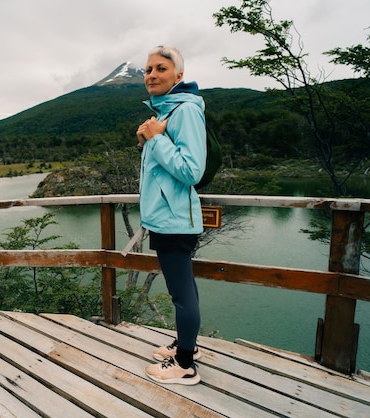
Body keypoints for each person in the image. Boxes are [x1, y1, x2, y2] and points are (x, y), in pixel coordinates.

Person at [136, 46, 206, 385]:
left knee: (181, 294)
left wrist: (157, 141)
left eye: (160, 68)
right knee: (185, 289)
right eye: (147, 69)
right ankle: (186, 344)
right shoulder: (168, 111)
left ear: (179, 75)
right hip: (168, 218)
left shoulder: (186, 111)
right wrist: (147, 142)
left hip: (175, 220)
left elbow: (192, 170)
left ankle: (185, 365)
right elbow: (164, 168)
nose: (151, 75)